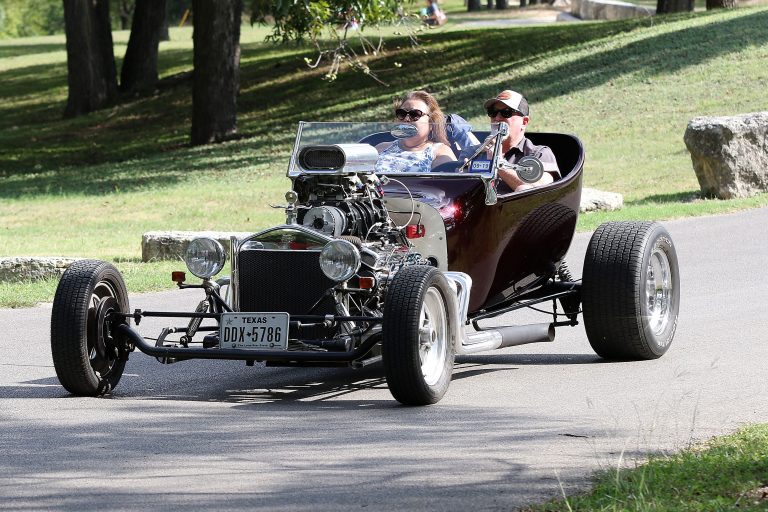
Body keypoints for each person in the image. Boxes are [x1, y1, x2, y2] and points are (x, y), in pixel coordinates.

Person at [461, 89, 560, 192]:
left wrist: (498, 163)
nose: (497, 118)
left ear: (524, 122)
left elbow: (540, 190)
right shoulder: (472, 153)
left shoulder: (539, 154)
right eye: (493, 112)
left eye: (506, 112)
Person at [375, 90, 457, 173]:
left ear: (432, 122)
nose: (406, 119)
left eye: (415, 114)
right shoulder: (381, 148)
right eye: (402, 113)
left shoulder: (440, 152)